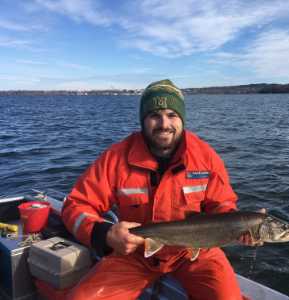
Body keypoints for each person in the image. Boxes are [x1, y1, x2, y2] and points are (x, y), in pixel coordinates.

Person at [62, 79, 254, 300]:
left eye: (172, 115)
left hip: (195, 251)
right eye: (155, 115)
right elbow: (76, 205)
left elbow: (223, 204)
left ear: (182, 119)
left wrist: (238, 225)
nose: (164, 123)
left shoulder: (205, 156)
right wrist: (105, 234)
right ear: (143, 120)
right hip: (135, 251)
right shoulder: (116, 157)